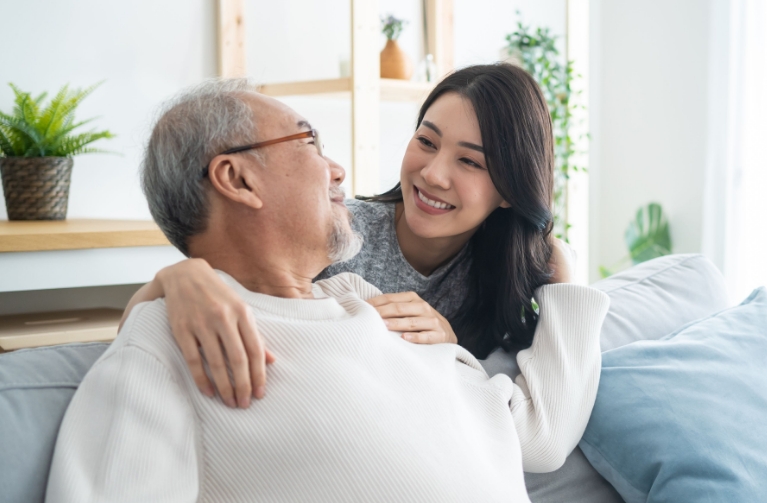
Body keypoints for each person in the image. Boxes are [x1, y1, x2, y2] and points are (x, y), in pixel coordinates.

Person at [43, 79, 767, 503]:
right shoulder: (167, 354)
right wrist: (176, 280)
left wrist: (549, 289)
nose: (338, 167)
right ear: (236, 178)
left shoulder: (376, 311)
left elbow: (521, 432)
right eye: (310, 140)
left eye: (472, 162)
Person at [121, 63, 558, 409]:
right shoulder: (333, 232)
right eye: (426, 141)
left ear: (510, 189)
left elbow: (515, 412)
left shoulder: (514, 273)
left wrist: (452, 352)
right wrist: (177, 278)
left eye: (471, 163)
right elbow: (153, 333)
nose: (433, 174)